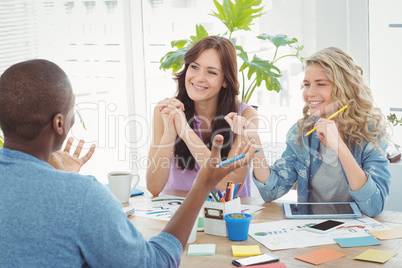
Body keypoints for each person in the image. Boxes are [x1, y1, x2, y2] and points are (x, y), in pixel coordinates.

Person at [0, 59, 256, 267]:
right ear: (59, 124)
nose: (199, 78)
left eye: (211, 72)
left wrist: (63, 182)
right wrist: (202, 185)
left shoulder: (241, 115)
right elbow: (154, 263)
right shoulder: (83, 196)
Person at [225, 47, 391, 217]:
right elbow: (271, 191)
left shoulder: (371, 133)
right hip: (312, 230)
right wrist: (255, 139)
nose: (310, 93)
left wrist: (340, 147)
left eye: (321, 84)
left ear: (345, 87)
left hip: (357, 232)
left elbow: (374, 207)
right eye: (306, 84)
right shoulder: (301, 133)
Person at [146, 36, 258, 197]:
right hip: (178, 212)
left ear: (226, 80)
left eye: (211, 72)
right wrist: (170, 132)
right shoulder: (165, 110)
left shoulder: (245, 116)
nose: (199, 78)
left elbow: (231, 186)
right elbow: (154, 187)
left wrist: (185, 131)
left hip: (226, 216)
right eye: (194, 67)